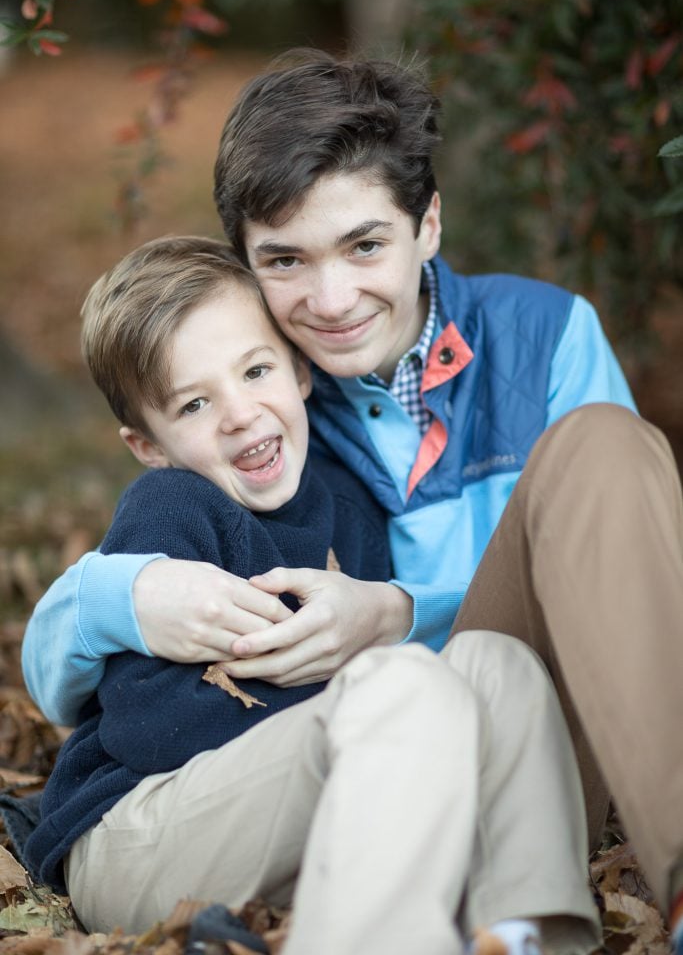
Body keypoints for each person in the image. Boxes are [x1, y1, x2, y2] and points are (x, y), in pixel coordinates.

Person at [21, 50, 683, 949]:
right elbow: (96, 647)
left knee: (599, 451)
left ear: (429, 223)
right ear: (251, 268)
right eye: (287, 260)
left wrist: (399, 614)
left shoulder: (547, 338)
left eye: (366, 245)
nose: (332, 301)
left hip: (539, 741)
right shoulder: (269, 415)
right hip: (352, 759)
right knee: (424, 688)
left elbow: (627, 597)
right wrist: (126, 595)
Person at [23, 235, 600, 955]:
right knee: (398, 682)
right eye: (196, 402)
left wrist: (368, 668)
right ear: (150, 445)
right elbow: (146, 730)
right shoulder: (171, 508)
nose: (239, 414)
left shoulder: (345, 504)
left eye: (255, 370)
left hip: (276, 816)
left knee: (497, 661)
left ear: (299, 371)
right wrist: (347, 690)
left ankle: (527, 933)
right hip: (138, 832)